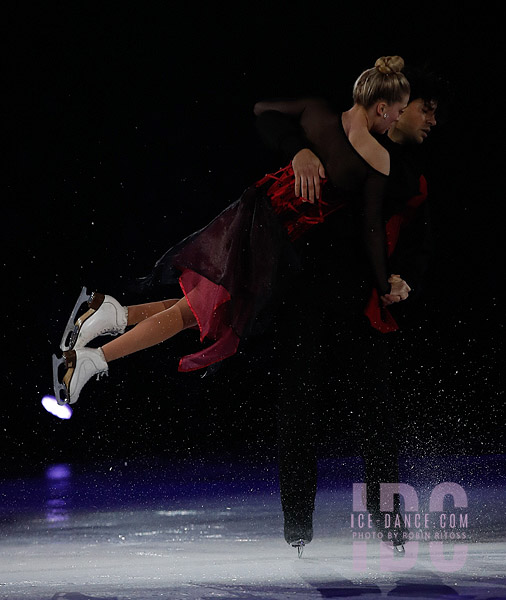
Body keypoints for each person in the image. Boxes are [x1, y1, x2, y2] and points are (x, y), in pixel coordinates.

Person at [52, 56, 412, 429]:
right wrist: (383, 283)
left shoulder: (318, 113)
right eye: (398, 112)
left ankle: (109, 314)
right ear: (381, 107)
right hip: (269, 241)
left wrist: (300, 148)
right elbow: (371, 228)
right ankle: (93, 360)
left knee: (202, 309)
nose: (396, 120)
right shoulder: (376, 154)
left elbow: (263, 110)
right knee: (194, 313)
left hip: (252, 218)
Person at [254, 65, 448, 554]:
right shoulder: (349, 134)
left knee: (377, 413)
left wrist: (402, 282)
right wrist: (298, 149)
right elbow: (272, 116)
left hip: (365, 301)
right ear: (392, 110)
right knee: (298, 403)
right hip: (309, 287)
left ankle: (389, 523)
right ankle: (297, 523)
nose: (426, 119)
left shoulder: (408, 173)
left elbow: (414, 246)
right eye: (421, 109)